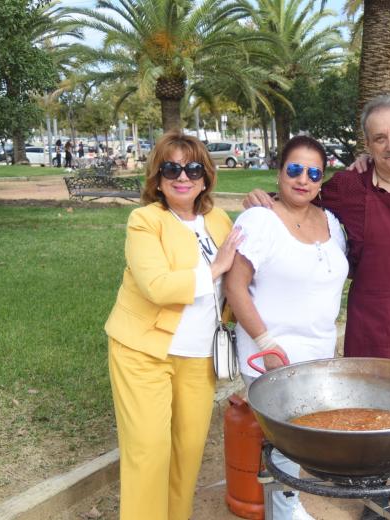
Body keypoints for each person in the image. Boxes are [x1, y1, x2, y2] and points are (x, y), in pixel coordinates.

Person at [245, 95, 390, 520]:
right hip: (374, 320)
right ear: (367, 144)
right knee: (372, 404)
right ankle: (375, 493)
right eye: (379, 138)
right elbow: (301, 200)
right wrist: (264, 199)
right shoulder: (349, 186)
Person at [104, 130, 243, 520]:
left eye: (193, 167)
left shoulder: (218, 219)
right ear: (157, 177)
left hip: (199, 357)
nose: (183, 177)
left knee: (186, 453)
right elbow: (158, 286)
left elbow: (240, 276)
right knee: (148, 453)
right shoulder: (145, 221)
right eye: (171, 168)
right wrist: (215, 268)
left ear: (206, 175)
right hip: (144, 353)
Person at [225, 136, 349, 520]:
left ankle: (287, 505)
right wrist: (267, 344)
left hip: (316, 353)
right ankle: (285, 511)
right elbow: (234, 284)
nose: (303, 179)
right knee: (287, 437)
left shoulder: (331, 222)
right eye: (294, 169)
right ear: (279, 171)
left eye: (314, 173)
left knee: (301, 434)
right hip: (270, 354)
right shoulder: (259, 219)